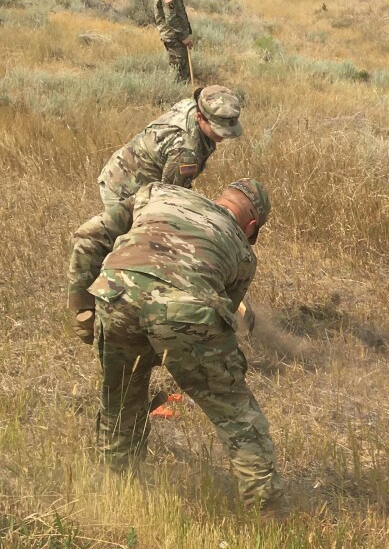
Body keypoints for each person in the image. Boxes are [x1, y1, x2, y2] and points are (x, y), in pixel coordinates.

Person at [67, 178, 284, 513]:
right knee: (237, 414)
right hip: (185, 310)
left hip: (115, 294)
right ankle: (269, 514)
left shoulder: (156, 193)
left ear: (218, 198)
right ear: (252, 226)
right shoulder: (243, 255)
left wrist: (81, 302)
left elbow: (87, 235)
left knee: (121, 399)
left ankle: (116, 495)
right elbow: (221, 316)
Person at [97, 86, 243, 209]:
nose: (224, 135)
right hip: (124, 187)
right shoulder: (186, 150)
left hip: (130, 172)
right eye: (217, 128)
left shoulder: (192, 105)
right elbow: (170, 198)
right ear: (200, 117)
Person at [153, 0, 193, 83]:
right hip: (173, 36)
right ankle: (176, 92)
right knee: (178, 67)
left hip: (175, 35)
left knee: (180, 64)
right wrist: (184, 37)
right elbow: (171, 19)